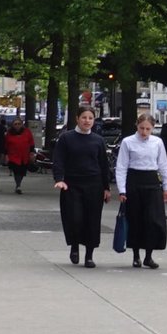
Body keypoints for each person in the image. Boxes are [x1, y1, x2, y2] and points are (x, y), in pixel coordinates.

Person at [52, 106, 112, 267]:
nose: (87, 121)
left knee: (92, 220)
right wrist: (59, 178)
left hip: (94, 185)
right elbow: (59, 160)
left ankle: (89, 255)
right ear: (77, 118)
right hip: (72, 185)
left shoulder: (98, 140)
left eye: (90, 118)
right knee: (75, 218)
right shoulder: (66, 138)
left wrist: (106, 188)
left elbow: (103, 165)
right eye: (84, 117)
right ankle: (75, 246)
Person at [116, 112, 167, 269]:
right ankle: (136, 255)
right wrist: (122, 190)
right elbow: (121, 166)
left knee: (153, 220)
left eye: (148, 129)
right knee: (135, 219)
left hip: (152, 181)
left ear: (152, 128)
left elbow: (163, 165)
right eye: (141, 128)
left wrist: (166, 187)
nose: (144, 132)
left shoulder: (157, 142)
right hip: (134, 180)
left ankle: (149, 255)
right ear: (136, 126)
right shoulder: (128, 142)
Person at [3, 116, 35, 194]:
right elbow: (6, 145)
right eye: (15, 124)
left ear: (22, 124)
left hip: (24, 156)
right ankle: (18, 185)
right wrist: (6, 155)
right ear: (13, 125)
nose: (17, 125)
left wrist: (31, 153)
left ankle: (18, 184)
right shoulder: (9, 133)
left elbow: (31, 143)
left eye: (19, 124)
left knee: (22, 171)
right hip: (13, 156)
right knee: (16, 170)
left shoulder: (27, 132)